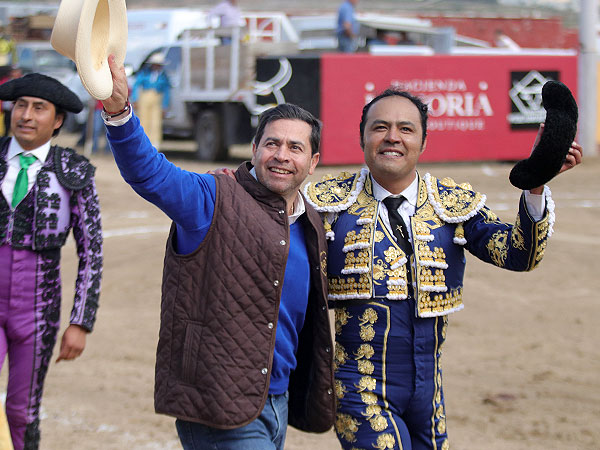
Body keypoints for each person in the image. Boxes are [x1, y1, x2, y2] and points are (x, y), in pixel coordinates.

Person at [303, 88, 582, 450]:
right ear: (362, 137)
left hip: (429, 394)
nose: (392, 137)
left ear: (423, 141)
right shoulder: (326, 205)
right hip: (360, 387)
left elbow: (519, 254)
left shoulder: (450, 203)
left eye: (406, 128)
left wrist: (536, 180)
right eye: (380, 127)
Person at [101, 55, 335, 449]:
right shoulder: (212, 197)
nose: (281, 155)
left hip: (276, 401)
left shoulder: (313, 222)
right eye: (272, 143)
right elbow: (150, 173)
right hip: (216, 401)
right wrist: (119, 112)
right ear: (255, 147)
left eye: (295, 148)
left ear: (312, 163)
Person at [0, 73, 103, 450]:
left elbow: (92, 252)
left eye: (38, 108)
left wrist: (81, 321)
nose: (26, 115)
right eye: (21, 105)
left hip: (38, 309)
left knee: (22, 411)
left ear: (57, 120)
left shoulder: (73, 171)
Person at [130, 53, 170, 150]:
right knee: (143, 121)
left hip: (157, 99)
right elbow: (136, 86)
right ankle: (143, 143)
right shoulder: (144, 73)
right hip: (145, 97)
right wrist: (135, 99)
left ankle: (155, 145)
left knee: (156, 122)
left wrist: (165, 106)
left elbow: (167, 91)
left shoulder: (164, 77)